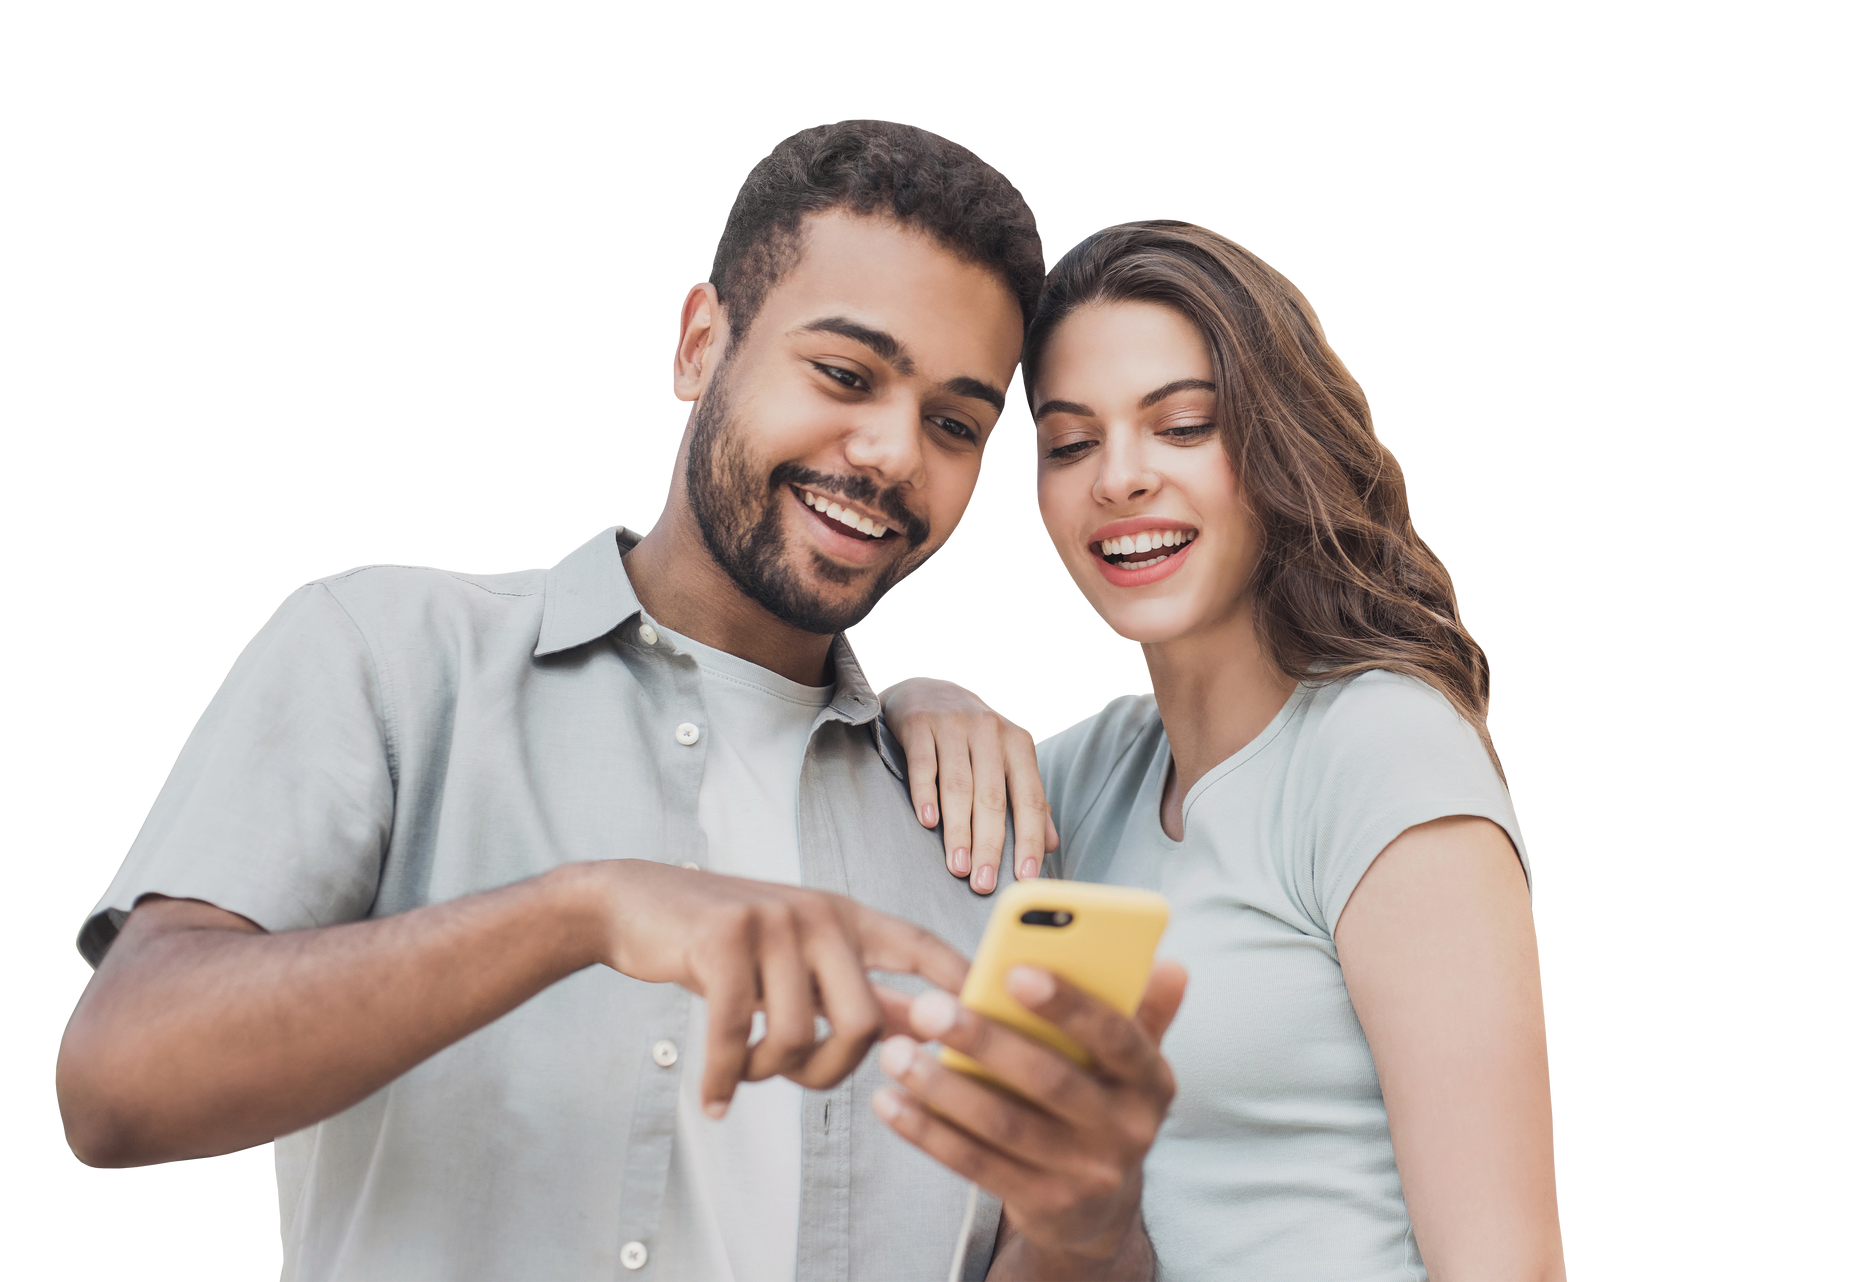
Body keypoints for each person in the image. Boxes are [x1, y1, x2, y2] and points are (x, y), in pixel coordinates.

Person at [53, 120, 1175, 1282]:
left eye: (955, 423)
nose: (893, 453)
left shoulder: (979, 823)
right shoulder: (391, 656)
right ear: (700, 344)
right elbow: (115, 1088)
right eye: (844, 373)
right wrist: (581, 911)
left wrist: (1085, 1224)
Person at [876, 219, 1568, 1279]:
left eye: (1184, 425)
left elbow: (1506, 1266)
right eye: (1069, 442)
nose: (1120, 477)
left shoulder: (1381, 752)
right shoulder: (1080, 776)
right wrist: (922, 697)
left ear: (1278, 444)